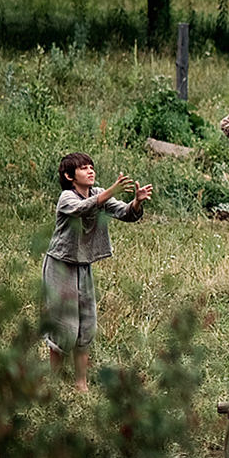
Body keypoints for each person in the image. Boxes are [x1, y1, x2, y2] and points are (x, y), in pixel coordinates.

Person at [44, 152, 152, 388]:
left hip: (83, 264)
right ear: (69, 176)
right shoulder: (66, 197)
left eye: (92, 167)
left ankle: (80, 383)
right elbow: (82, 209)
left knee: (86, 325)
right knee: (65, 326)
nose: (91, 171)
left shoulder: (97, 193)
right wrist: (109, 193)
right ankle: (53, 383)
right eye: (84, 168)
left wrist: (136, 202)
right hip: (61, 265)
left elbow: (125, 213)